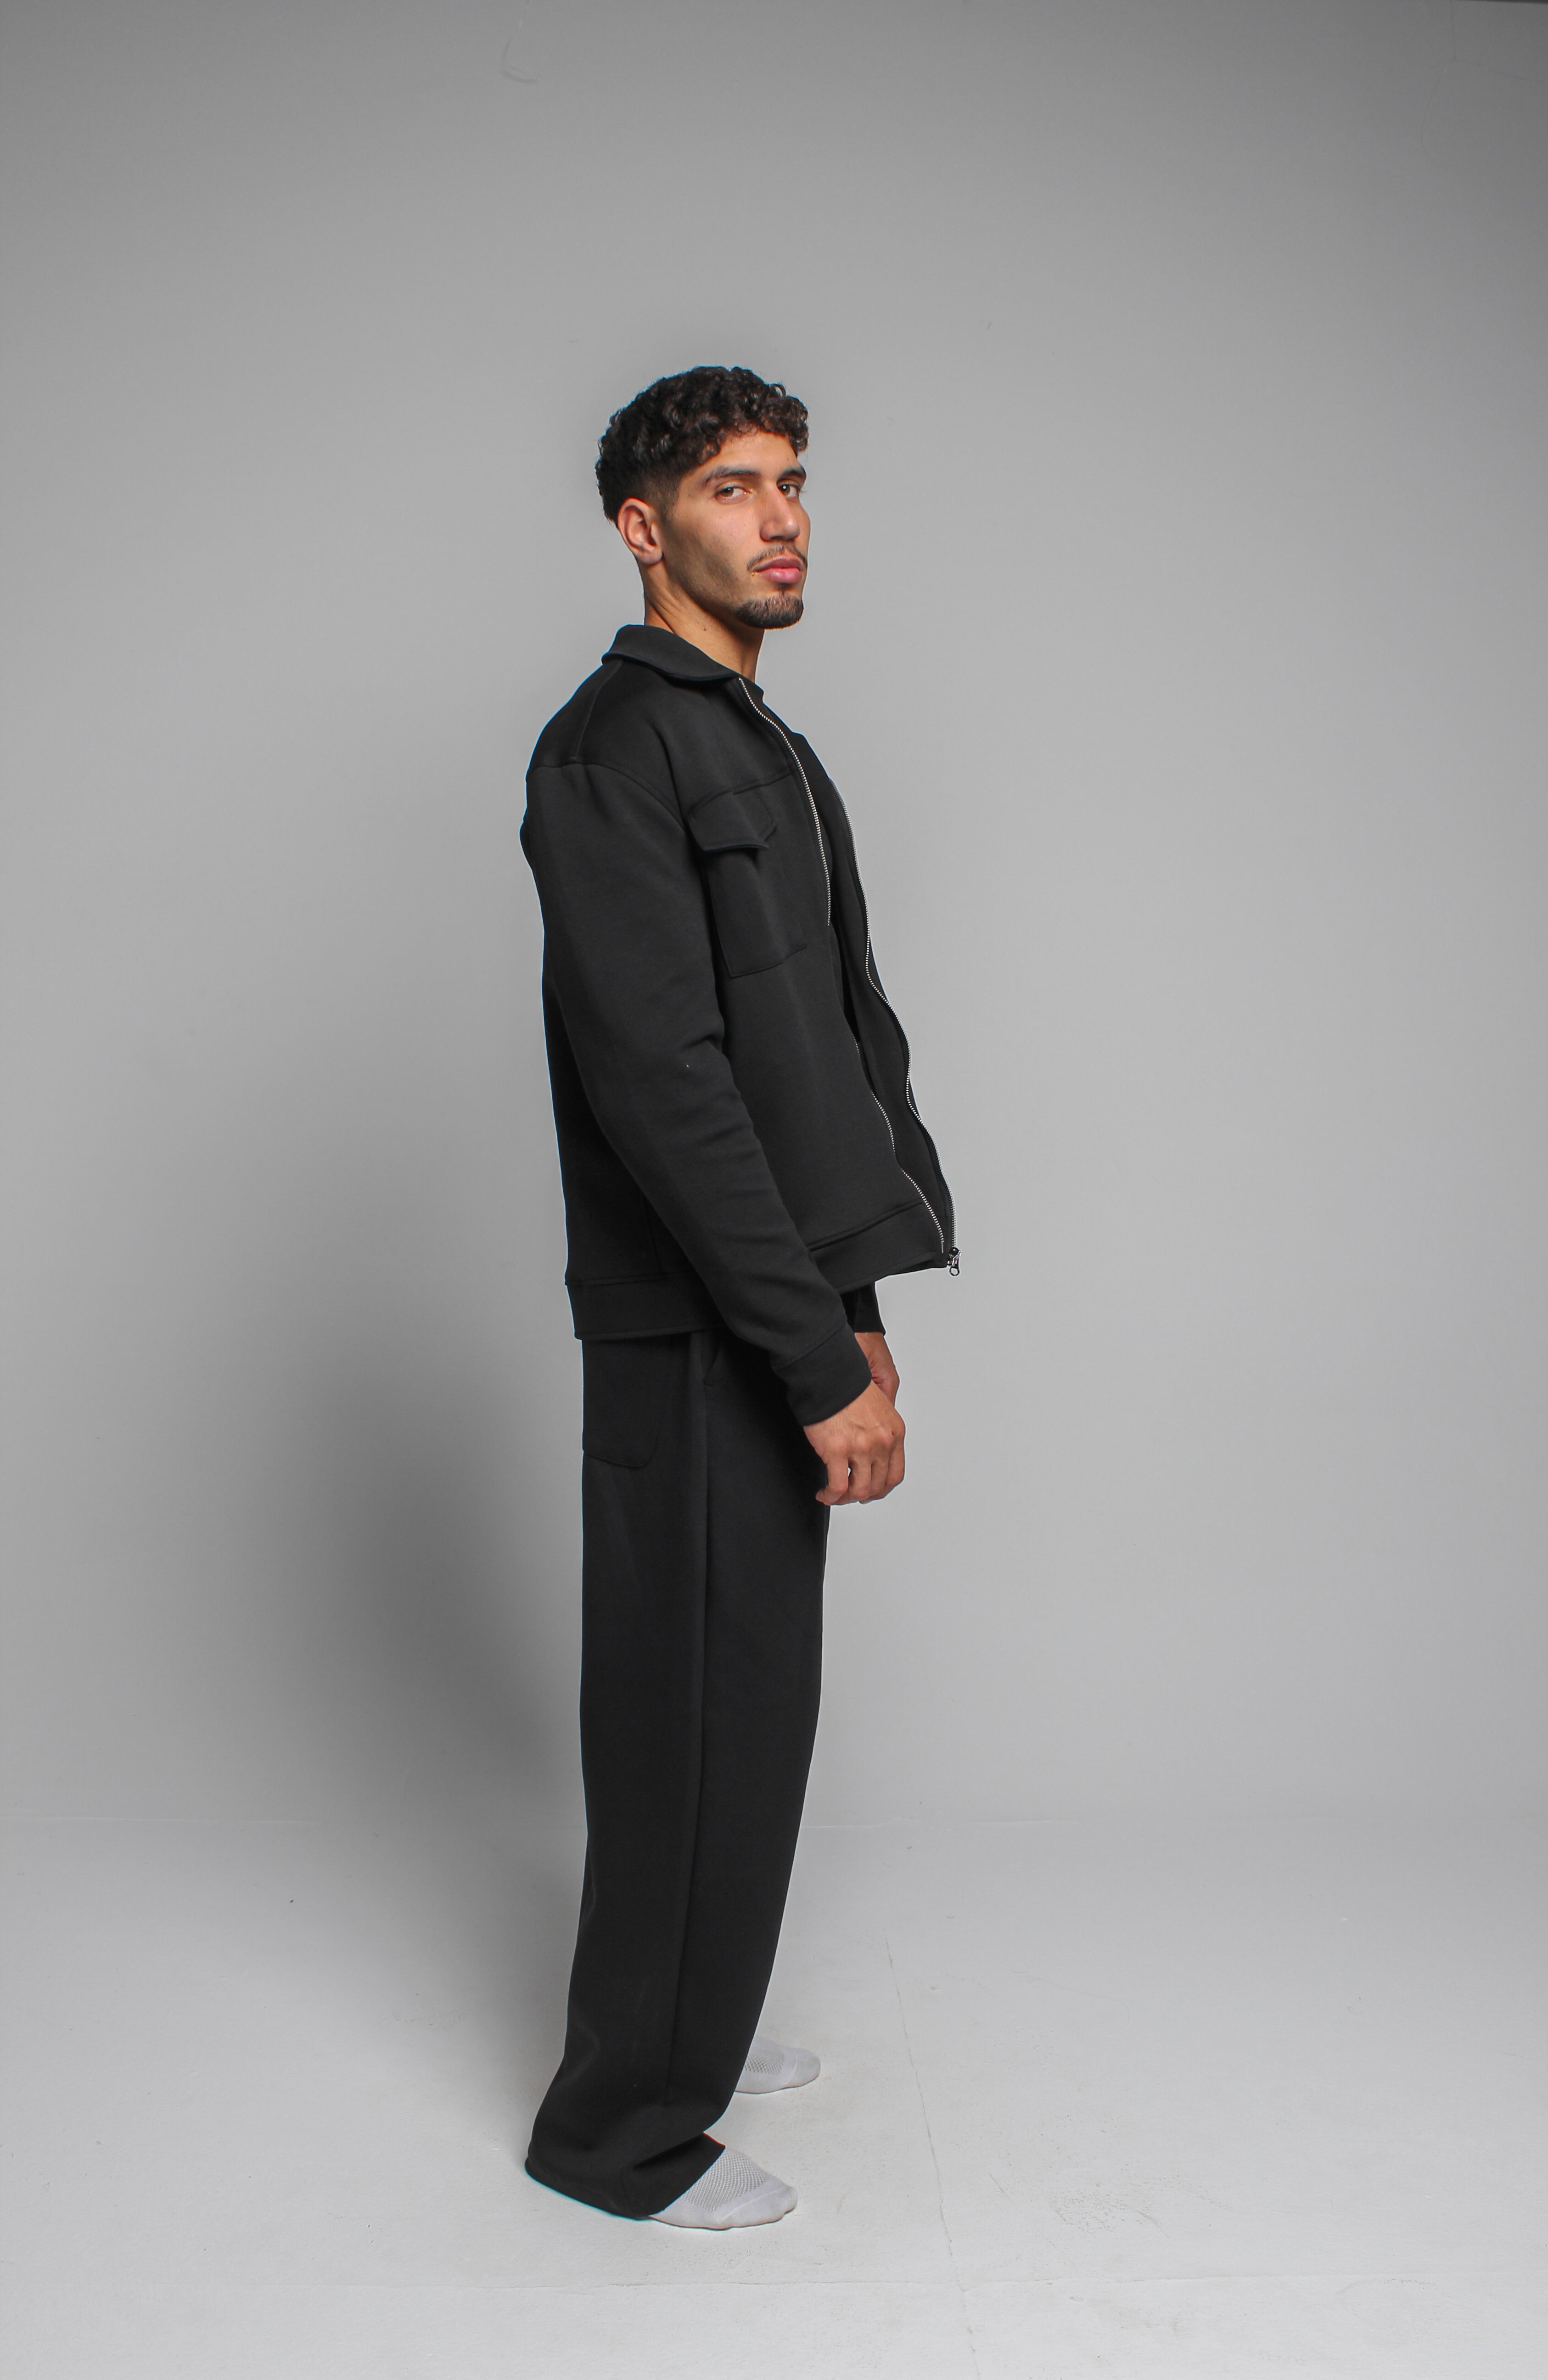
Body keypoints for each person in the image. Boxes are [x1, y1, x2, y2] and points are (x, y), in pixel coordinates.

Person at [518, 365, 956, 2229]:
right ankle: (621, 2129)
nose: (781, 520)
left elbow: (823, 1056)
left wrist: (857, 1310)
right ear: (645, 528)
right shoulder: (615, 753)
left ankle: (687, 2013)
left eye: (792, 483)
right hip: (696, 1314)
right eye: (732, 489)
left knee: (748, 1699)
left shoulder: (759, 742)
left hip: (777, 1295)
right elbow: (673, 1090)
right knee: (686, 1708)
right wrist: (804, 1345)